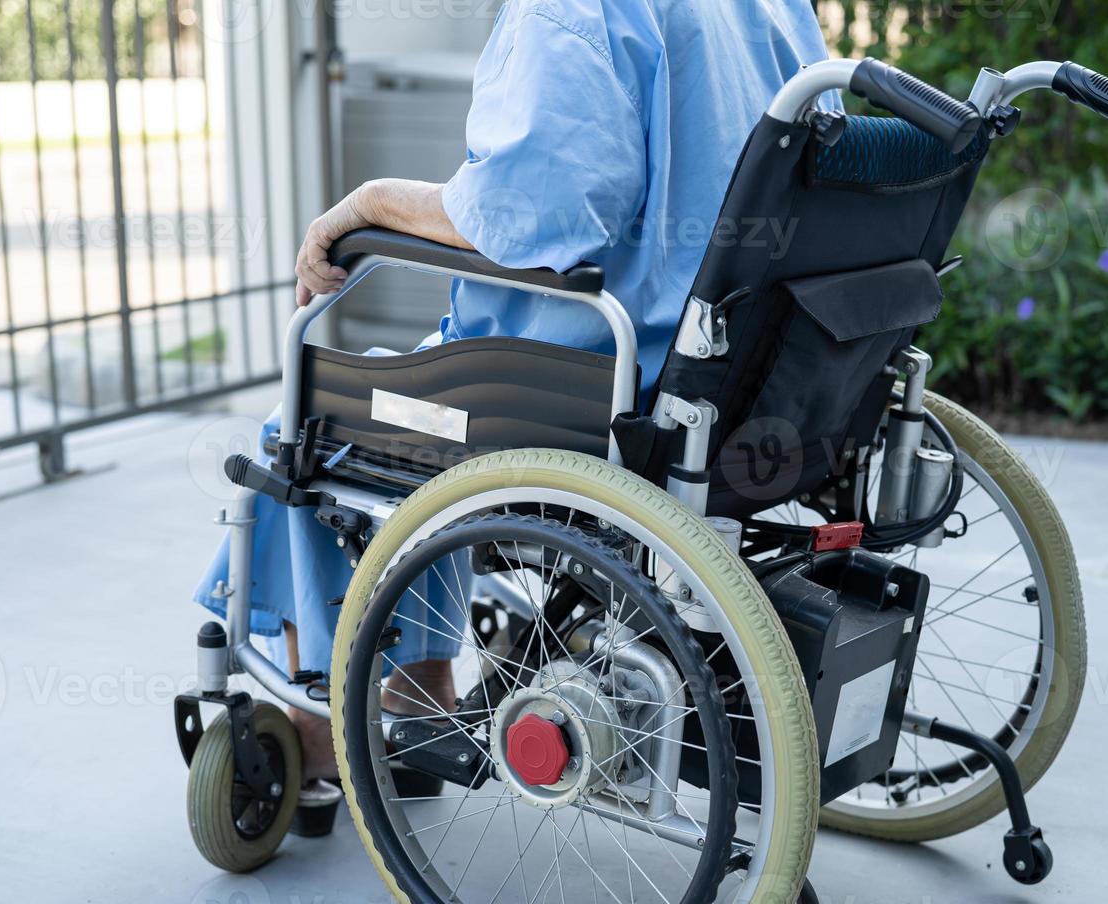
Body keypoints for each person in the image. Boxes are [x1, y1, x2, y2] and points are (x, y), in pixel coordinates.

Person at [197, 0, 838, 787]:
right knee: (415, 398)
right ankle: (417, 686)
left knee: (310, 421)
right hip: (747, 379)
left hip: (593, 384)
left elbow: (536, 217)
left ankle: (325, 721)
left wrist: (368, 204)